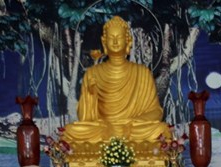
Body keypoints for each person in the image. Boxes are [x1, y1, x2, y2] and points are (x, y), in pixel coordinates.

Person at [63, 16, 170, 144]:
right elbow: (84, 117)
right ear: (104, 42)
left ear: (128, 41)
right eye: (111, 38)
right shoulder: (92, 73)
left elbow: (156, 111)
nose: (115, 42)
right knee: (70, 131)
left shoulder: (142, 73)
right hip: (102, 128)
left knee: (161, 129)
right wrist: (90, 96)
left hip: (132, 128)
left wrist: (134, 122)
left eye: (119, 37)